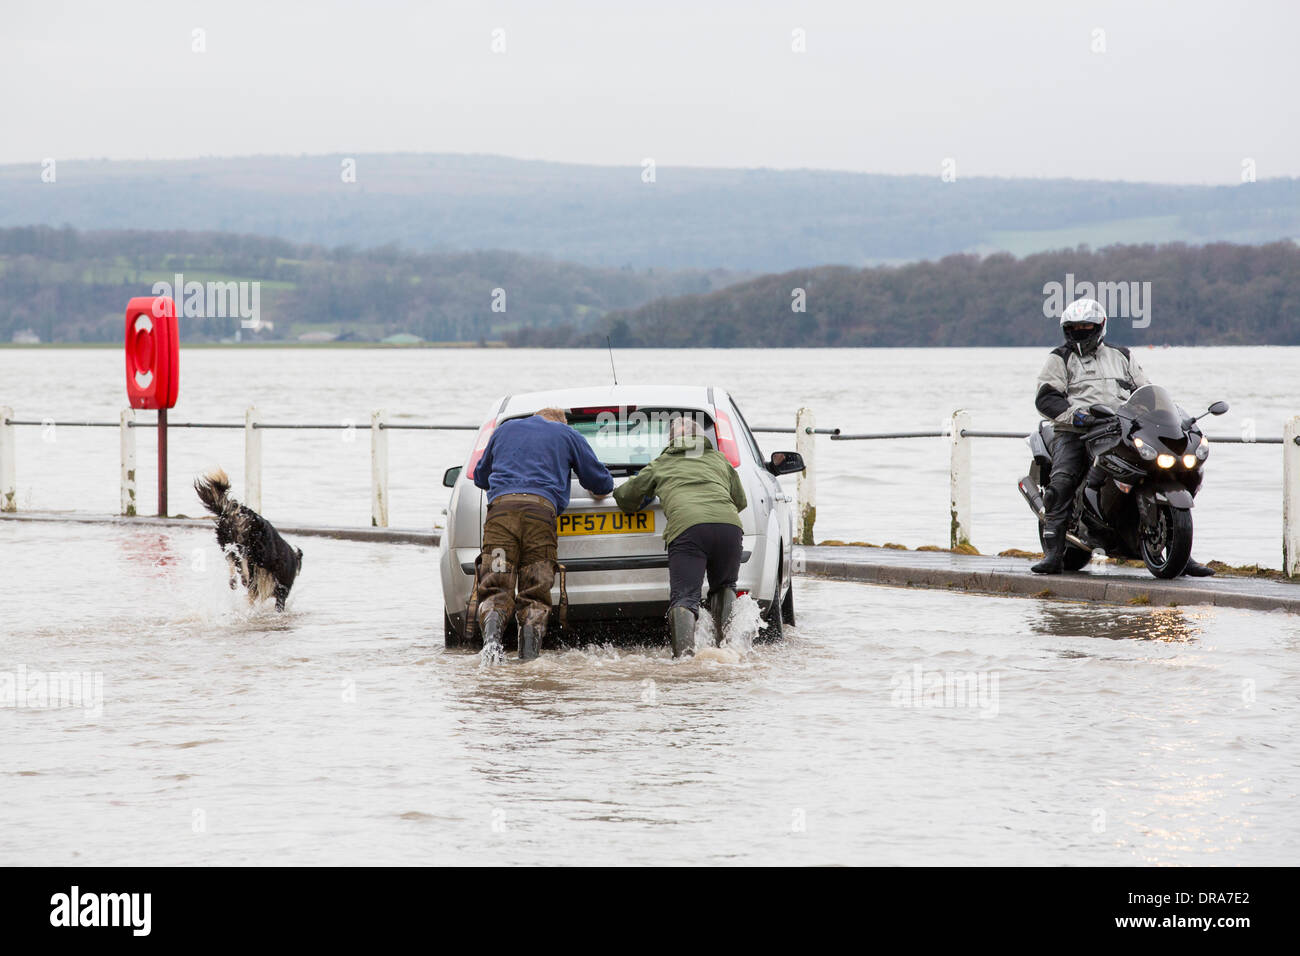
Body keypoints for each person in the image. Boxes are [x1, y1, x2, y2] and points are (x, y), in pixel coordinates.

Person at [1033, 298, 1214, 576]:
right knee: (1063, 480)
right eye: (1074, 327)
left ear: (1100, 326)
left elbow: (1145, 389)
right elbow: (1046, 398)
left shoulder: (1122, 355)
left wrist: (1170, 416)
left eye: (1086, 326)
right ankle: (1054, 554)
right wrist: (1074, 414)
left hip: (1118, 428)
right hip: (1075, 431)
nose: (1080, 331)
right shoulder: (1060, 358)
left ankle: (1181, 554)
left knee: (1160, 469)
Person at [471, 407, 614, 661]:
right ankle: (529, 661)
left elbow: (481, 477)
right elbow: (601, 483)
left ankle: (491, 650)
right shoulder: (567, 434)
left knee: (495, 586)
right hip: (540, 517)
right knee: (534, 593)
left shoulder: (504, 430)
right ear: (561, 422)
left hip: (501, 516)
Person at [613, 415, 748, 657]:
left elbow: (625, 497)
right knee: (725, 588)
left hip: (688, 529)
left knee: (685, 598)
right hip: (729, 528)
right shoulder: (719, 459)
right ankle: (729, 652)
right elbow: (740, 501)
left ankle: (685, 661)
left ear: (671, 439)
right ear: (701, 438)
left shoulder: (662, 463)